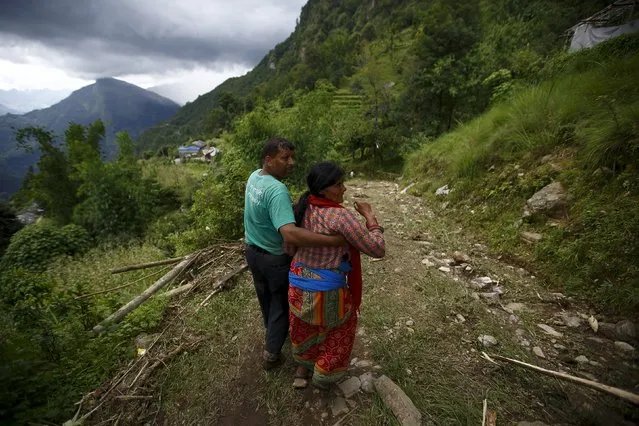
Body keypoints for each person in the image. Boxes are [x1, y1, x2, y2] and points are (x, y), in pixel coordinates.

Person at [244, 137, 345, 370]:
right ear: (268, 160)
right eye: (285, 158)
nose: (292, 162)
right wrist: (333, 241)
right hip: (274, 258)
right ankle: (272, 353)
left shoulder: (255, 176)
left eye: (292, 157)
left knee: (266, 298)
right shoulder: (277, 190)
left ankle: (272, 332)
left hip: (252, 252)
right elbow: (289, 234)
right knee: (280, 304)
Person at [288, 161, 385, 389]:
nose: (344, 189)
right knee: (342, 326)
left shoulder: (301, 207)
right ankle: (324, 375)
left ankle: (302, 367)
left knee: (304, 326)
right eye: (339, 184)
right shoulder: (341, 217)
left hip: (297, 286)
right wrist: (370, 218)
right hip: (327, 291)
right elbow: (377, 249)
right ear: (323, 189)